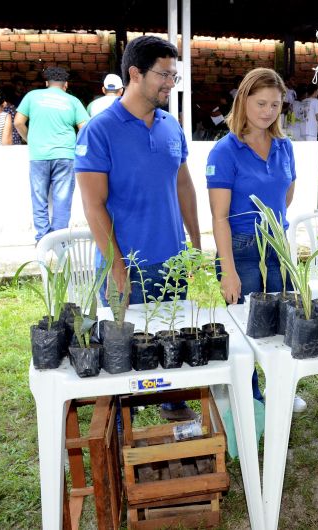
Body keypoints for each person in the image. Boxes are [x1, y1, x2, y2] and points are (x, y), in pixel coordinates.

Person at [76, 36, 201, 422]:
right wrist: (116, 267)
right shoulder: (99, 131)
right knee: (120, 355)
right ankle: (116, 428)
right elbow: (93, 205)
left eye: (174, 77)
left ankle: (173, 405)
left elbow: (184, 185)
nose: (170, 84)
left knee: (172, 344)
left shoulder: (170, 126)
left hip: (173, 263)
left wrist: (195, 247)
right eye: (164, 75)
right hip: (126, 266)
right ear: (134, 73)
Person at [206, 67, 307, 413]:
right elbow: (219, 217)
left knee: (283, 323)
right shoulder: (225, 150)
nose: (267, 111)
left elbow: (285, 197)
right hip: (242, 250)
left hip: (277, 248)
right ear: (243, 100)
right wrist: (228, 271)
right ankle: (250, 398)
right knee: (247, 329)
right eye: (260, 103)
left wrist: (273, 231)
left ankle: (279, 388)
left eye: (274, 105)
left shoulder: (284, 147)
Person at [15, 67, 89, 243]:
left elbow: (18, 122)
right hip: (65, 154)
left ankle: (42, 239)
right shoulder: (73, 101)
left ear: (47, 83)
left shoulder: (32, 96)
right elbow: (85, 127)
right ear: (66, 85)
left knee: (39, 197)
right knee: (62, 199)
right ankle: (59, 240)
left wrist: (29, 140)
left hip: (38, 154)